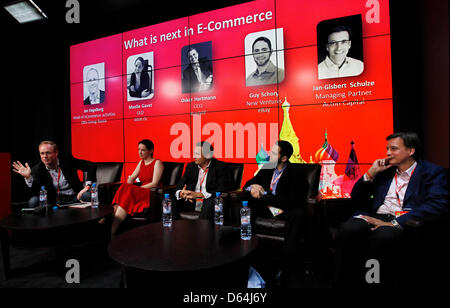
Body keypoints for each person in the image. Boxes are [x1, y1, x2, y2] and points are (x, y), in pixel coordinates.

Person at [334, 132, 449, 286]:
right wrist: (370, 173)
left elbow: (438, 204)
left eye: (394, 149)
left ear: (411, 151)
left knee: (383, 236)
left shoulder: (432, 172)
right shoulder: (385, 171)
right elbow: (356, 196)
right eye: (387, 148)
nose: (388, 153)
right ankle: (342, 282)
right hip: (376, 215)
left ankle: (371, 281)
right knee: (349, 228)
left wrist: (396, 222)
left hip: (405, 220)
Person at [243, 140, 309, 283]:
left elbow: (290, 201)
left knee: (298, 215)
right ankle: (245, 253)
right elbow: (247, 185)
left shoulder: (296, 173)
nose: (269, 154)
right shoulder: (267, 167)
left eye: (273, 153)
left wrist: (264, 195)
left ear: (284, 158)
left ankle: (286, 264)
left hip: (286, 210)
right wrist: (253, 187)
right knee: (246, 207)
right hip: (267, 208)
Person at [12, 140, 96, 207]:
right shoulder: (37, 169)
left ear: (56, 153)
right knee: (33, 201)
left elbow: (91, 166)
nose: (45, 156)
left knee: (88, 195)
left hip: (75, 196)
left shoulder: (67, 161)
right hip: (53, 200)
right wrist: (28, 178)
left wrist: (87, 186)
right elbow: (35, 190)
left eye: (48, 153)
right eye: (42, 153)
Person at [110, 139, 163, 235]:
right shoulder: (141, 162)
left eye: (143, 150)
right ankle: (113, 230)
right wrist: (130, 183)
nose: (140, 152)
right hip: (139, 191)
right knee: (125, 187)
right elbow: (132, 177)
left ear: (150, 151)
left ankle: (111, 225)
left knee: (128, 190)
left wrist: (136, 189)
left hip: (150, 192)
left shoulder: (157, 163)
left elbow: (154, 183)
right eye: (139, 149)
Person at [175, 141, 231, 220]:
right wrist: (182, 193)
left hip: (208, 200)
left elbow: (222, 189)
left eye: (197, 154)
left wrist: (198, 195)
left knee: (210, 202)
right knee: (170, 200)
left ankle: (202, 231)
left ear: (208, 155)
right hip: (191, 200)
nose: (194, 156)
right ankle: (172, 230)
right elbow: (180, 185)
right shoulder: (191, 166)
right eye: (194, 153)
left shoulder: (220, 167)